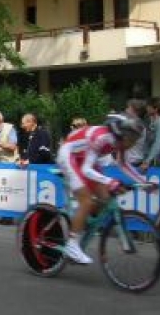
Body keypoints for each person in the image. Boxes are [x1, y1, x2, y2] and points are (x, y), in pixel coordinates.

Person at [56, 113, 153, 264]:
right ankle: (72, 244)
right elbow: (87, 170)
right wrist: (110, 181)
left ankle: (80, 222)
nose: (133, 144)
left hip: (84, 158)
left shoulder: (119, 141)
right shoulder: (103, 138)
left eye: (136, 140)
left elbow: (123, 164)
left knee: (105, 198)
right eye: (132, 140)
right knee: (87, 201)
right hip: (69, 155)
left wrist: (144, 183)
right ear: (124, 134)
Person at [141, 97, 160, 170]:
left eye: (149, 107)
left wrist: (147, 161)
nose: (147, 108)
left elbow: (158, 142)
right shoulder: (151, 119)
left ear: (156, 109)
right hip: (153, 156)